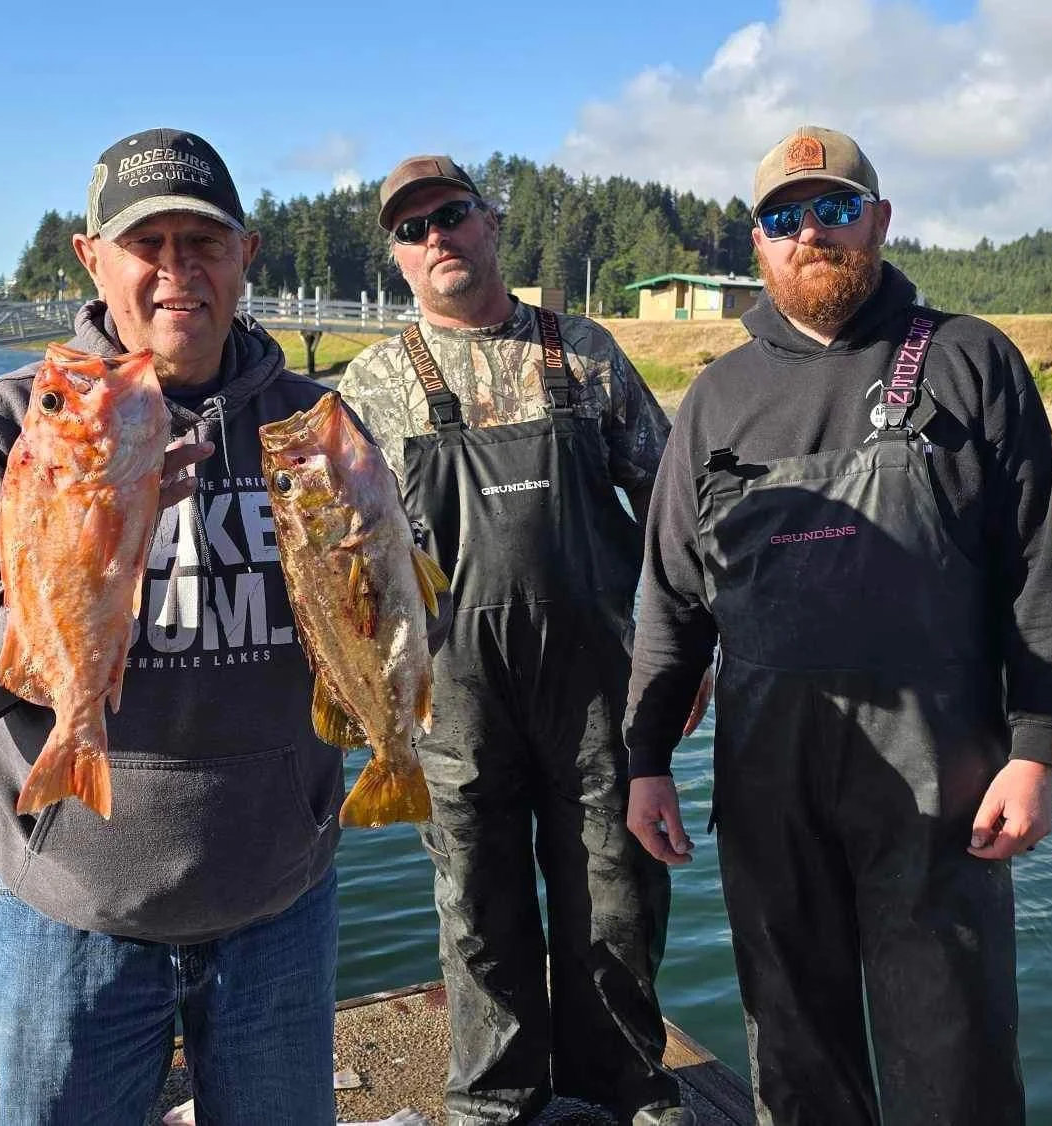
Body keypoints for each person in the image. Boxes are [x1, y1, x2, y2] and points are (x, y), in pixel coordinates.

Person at [622, 125, 1052, 1126]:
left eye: (833, 209)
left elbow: (1037, 573)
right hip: (766, 781)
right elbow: (670, 596)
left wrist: (1035, 750)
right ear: (756, 243)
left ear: (877, 221)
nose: (809, 234)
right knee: (789, 1046)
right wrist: (645, 757)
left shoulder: (970, 362)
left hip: (939, 782)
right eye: (784, 217)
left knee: (950, 1048)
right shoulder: (717, 397)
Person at [0, 127, 347, 1126]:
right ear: (89, 256)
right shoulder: (10, 427)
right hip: (71, 913)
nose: (174, 270)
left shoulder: (316, 429)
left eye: (203, 242)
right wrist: (89, 550)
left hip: (279, 906)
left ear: (247, 256)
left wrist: (399, 581)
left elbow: (391, 642)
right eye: (147, 244)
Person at [337, 155, 685, 1126]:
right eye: (412, 229)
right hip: (450, 701)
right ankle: (496, 1099)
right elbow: (341, 561)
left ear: (490, 223)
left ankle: (623, 1084)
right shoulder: (371, 383)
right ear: (398, 259)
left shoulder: (581, 351)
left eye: (450, 215)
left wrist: (687, 656)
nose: (435, 237)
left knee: (616, 897)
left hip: (595, 693)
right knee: (476, 910)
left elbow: (668, 516)